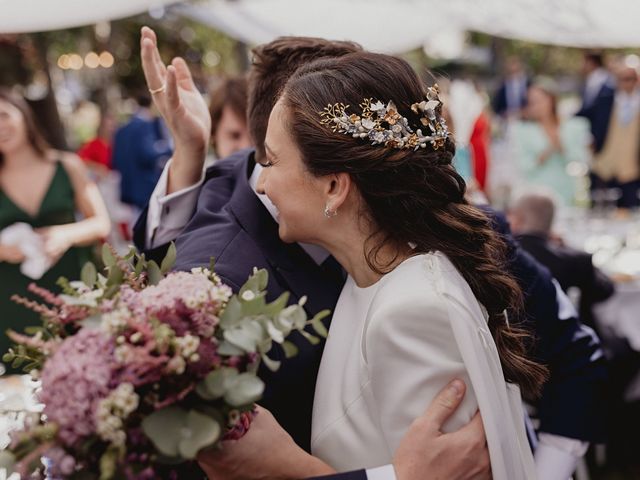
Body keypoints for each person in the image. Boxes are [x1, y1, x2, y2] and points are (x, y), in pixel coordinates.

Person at [137, 27, 607, 480]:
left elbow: (571, 355)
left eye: (273, 161)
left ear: (336, 184)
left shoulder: (421, 297)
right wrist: (188, 152)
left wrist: (288, 467)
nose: (259, 179)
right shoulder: (343, 267)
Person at [0, 89, 110, 373]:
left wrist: (65, 235)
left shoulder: (67, 165)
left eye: (4, 116)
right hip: (12, 303)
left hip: (73, 292)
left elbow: (101, 223)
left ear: (23, 116)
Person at [508, 190, 615, 329]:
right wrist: (567, 246)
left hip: (513, 343)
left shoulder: (503, 256)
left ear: (517, 219)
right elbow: (606, 289)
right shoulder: (574, 260)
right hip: (568, 341)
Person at [512, 79, 591, 205]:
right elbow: (523, 166)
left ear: (551, 100)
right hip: (537, 195)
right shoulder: (522, 130)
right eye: (531, 102)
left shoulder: (575, 126)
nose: (535, 106)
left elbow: (583, 160)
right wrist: (545, 154)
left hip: (568, 194)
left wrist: (562, 147)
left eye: (538, 101)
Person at [591, 58, 640, 208]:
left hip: (633, 171)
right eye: (621, 78)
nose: (626, 83)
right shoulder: (605, 99)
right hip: (604, 167)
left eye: (630, 78)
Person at [112, 93, 172, 213]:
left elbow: (115, 160)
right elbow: (147, 154)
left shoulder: (122, 128)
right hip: (144, 188)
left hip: (128, 188)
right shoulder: (145, 126)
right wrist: (170, 147)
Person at [576, 51, 615, 155]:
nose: (581, 65)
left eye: (583, 62)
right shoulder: (590, 80)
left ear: (591, 62)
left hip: (601, 135)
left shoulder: (606, 82)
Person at [208, 76, 251, 163]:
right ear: (213, 134)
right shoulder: (199, 175)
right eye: (235, 136)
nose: (246, 146)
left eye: (255, 137)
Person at [77, 110, 116, 180]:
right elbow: (80, 160)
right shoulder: (94, 144)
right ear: (101, 128)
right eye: (107, 126)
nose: (110, 129)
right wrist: (98, 167)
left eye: (112, 126)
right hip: (99, 182)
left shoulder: (116, 144)